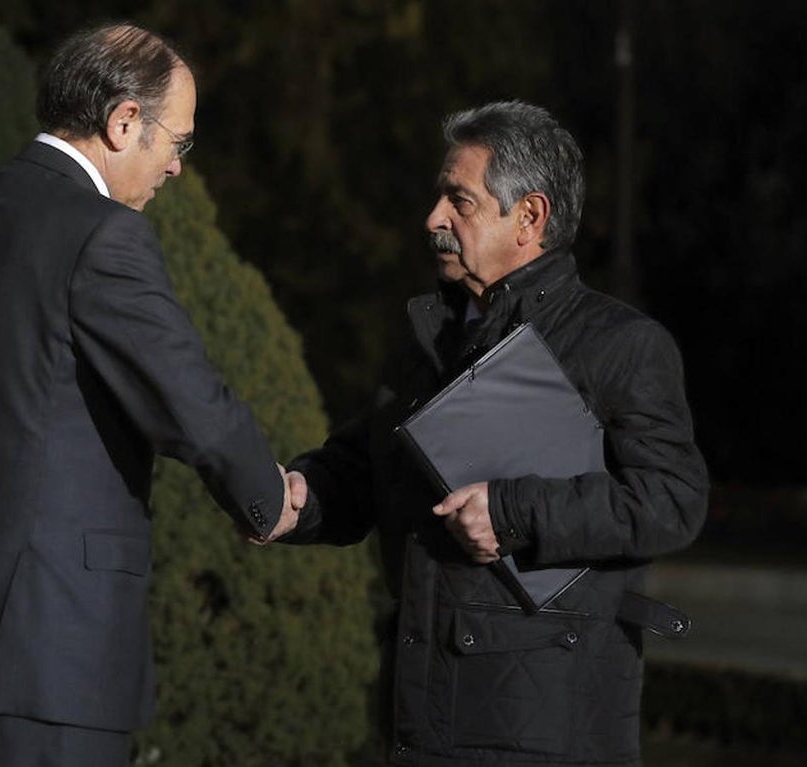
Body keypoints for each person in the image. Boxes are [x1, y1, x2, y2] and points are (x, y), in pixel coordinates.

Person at [0, 23, 298, 767]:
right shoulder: (104, 236)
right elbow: (192, 402)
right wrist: (268, 498)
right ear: (123, 122)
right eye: (177, 141)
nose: (178, 166)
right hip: (56, 653)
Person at [280, 101, 708, 766]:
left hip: (542, 732)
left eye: (461, 201)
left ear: (529, 217)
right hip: (417, 719)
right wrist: (298, 495)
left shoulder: (621, 346)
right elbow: (365, 466)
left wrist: (512, 511)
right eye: (438, 197)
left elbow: (672, 500)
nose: (434, 220)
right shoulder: (429, 340)